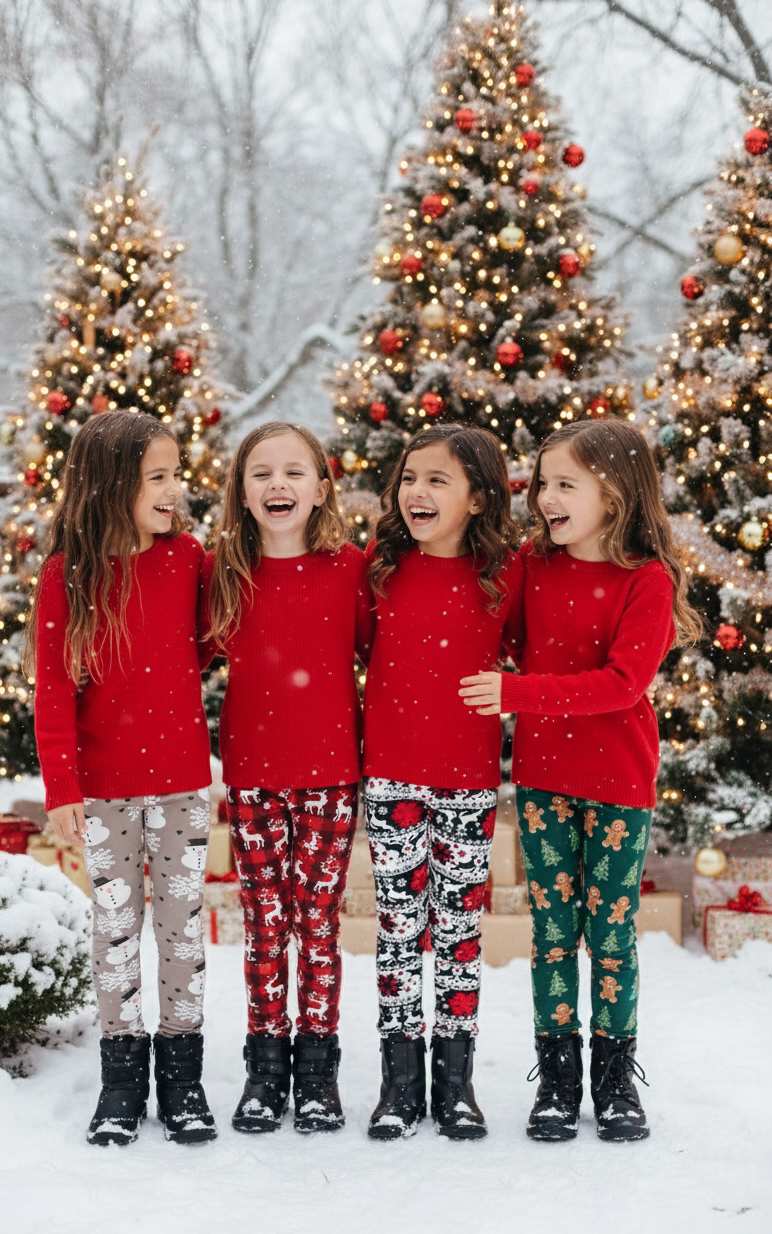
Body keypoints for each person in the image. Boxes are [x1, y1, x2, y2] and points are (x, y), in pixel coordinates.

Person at [460, 417, 703, 1142]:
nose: (546, 498)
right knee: (555, 933)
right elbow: (492, 630)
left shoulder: (647, 580)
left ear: (616, 493)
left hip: (620, 786)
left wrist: (517, 693)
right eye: (542, 484)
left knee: (614, 935)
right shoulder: (534, 567)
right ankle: (559, 1079)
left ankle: (615, 1077)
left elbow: (623, 684)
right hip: (542, 783)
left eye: (566, 484)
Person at [27, 410, 216, 1147]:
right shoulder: (66, 576)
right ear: (112, 487)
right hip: (100, 792)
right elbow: (53, 691)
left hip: (179, 786)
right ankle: (121, 1080)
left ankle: (182, 1075)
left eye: (176, 474)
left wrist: (162, 696)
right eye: (158, 478)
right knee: (114, 933)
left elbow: (198, 650)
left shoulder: (190, 558)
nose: (174, 490)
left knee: (181, 932)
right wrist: (63, 788)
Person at [199, 421, 373, 1134]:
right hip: (252, 775)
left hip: (332, 773)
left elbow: (381, 660)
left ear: (322, 487)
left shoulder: (352, 570)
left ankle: (318, 1068)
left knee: (319, 926)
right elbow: (188, 661)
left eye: (295, 472)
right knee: (266, 927)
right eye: (262, 473)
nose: (279, 484)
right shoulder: (223, 574)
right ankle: (266, 1068)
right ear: (241, 492)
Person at [361, 424, 523, 1141]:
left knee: (457, 933)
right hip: (391, 777)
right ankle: (399, 1084)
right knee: (398, 933)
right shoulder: (380, 567)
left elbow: (528, 654)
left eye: (437, 480)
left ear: (480, 498)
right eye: (409, 478)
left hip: (468, 783)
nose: (417, 492)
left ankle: (455, 1084)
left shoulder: (506, 575)